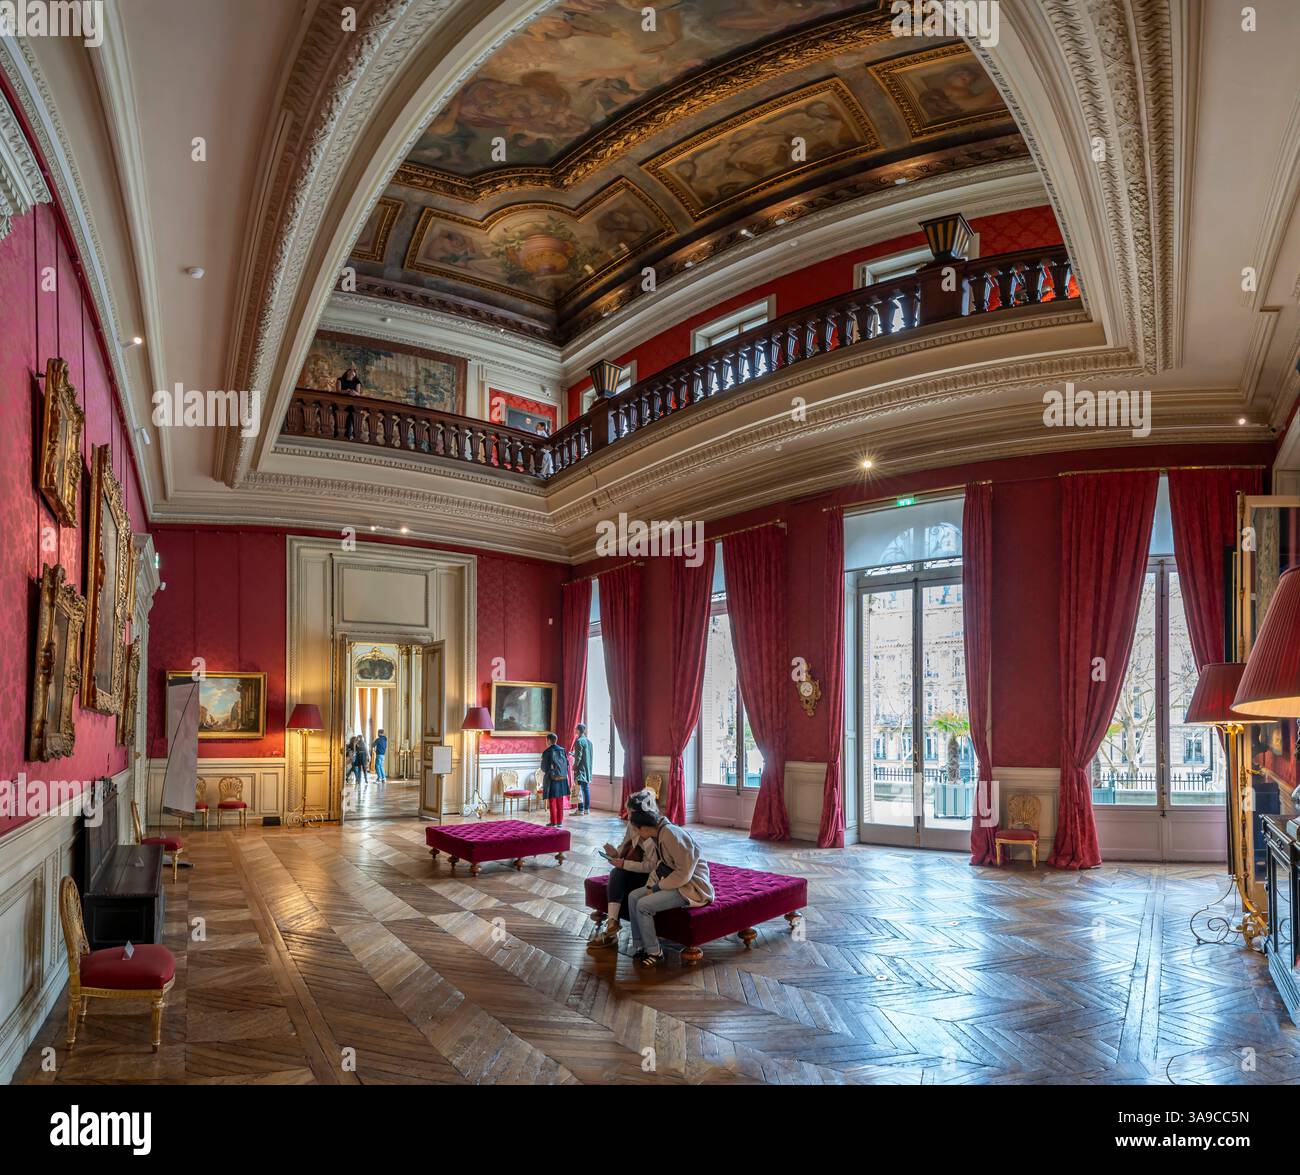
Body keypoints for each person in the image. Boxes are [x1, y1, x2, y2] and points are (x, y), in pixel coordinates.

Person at [622, 808, 713, 969]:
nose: (636, 833)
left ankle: (655, 952)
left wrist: (657, 888)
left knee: (644, 905)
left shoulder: (671, 835)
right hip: (676, 882)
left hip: (692, 887)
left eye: (636, 829)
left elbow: (684, 873)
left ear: (644, 828)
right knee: (634, 896)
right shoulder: (659, 833)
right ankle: (641, 945)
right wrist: (651, 886)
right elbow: (662, 866)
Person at [588, 789, 658, 949]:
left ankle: (612, 924)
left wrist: (624, 864)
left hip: (653, 876)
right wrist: (616, 853)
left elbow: (650, 866)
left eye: (631, 812)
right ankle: (612, 922)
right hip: (636, 867)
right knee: (617, 872)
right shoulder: (633, 824)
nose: (629, 816)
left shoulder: (654, 832)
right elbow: (626, 843)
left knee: (618, 872)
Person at [539, 732, 569, 827]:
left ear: (548, 740)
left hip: (551, 779)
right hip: (563, 778)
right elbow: (567, 764)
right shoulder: (562, 750)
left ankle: (553, 821)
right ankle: (560, 821)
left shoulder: (547, 752)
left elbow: (543, 768)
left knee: (552, 801)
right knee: (560, 800)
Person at [571, 723, 593, 815]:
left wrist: (575, 767)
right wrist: (573, 754)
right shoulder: (589, 742)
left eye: (576, 729)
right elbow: (587, 756)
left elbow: (579, 757)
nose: (575, 730)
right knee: (586, 788)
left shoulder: (579, 741)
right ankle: (586, 809)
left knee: (579, 789)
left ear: (579, 730)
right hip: (587, 768)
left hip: (580, 769)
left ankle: (580, 810)